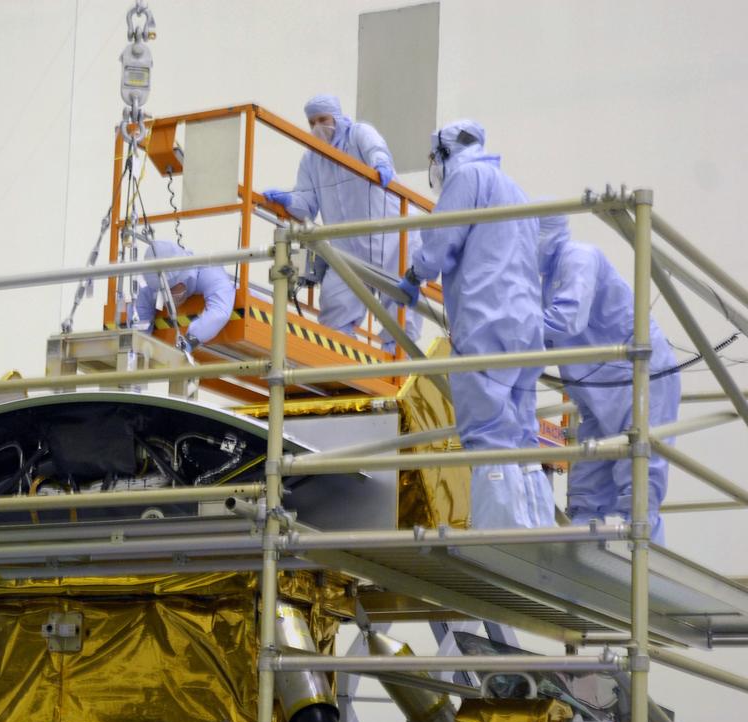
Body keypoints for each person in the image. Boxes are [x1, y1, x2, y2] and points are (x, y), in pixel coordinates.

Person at [396, 121, 554, 528]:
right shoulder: (512, 187)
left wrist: (415, 274)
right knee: (522, 433)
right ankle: (536, 526)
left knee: (487, 429)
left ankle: (498, 533)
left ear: (444, 152)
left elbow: (442, 238)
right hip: (525, 324)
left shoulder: (466, 177)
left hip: (488, 320)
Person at [537, 215, 680, 543]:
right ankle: (583, 556)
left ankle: (644, 562)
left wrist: (511, 333)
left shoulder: (579, 257)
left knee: (638, 485)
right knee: (587, 488)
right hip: (597, 390)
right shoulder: (548, 280)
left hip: (639, 378)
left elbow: (567, 320)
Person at [262, 94, 422, 351]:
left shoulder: (358, 134)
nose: (318, 127)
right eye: (312, 122)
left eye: (323, 119)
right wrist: (288, 199)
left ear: (336, 116)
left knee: (400, 310)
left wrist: (381, 164)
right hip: (347, 247)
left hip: (392, 237)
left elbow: (376, 151)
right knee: (334, 310)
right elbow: (307, 203)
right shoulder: (311, 159)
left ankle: (397, 361)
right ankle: (345, 359)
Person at [133, 240, 235, 352]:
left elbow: (219, 311)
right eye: (162, 291)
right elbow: (140, 318)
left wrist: (190, 340)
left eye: (171, 289)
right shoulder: (151, 284)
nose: (167, 297)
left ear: (183, 277)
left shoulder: (209, 270)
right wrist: (137, 347)